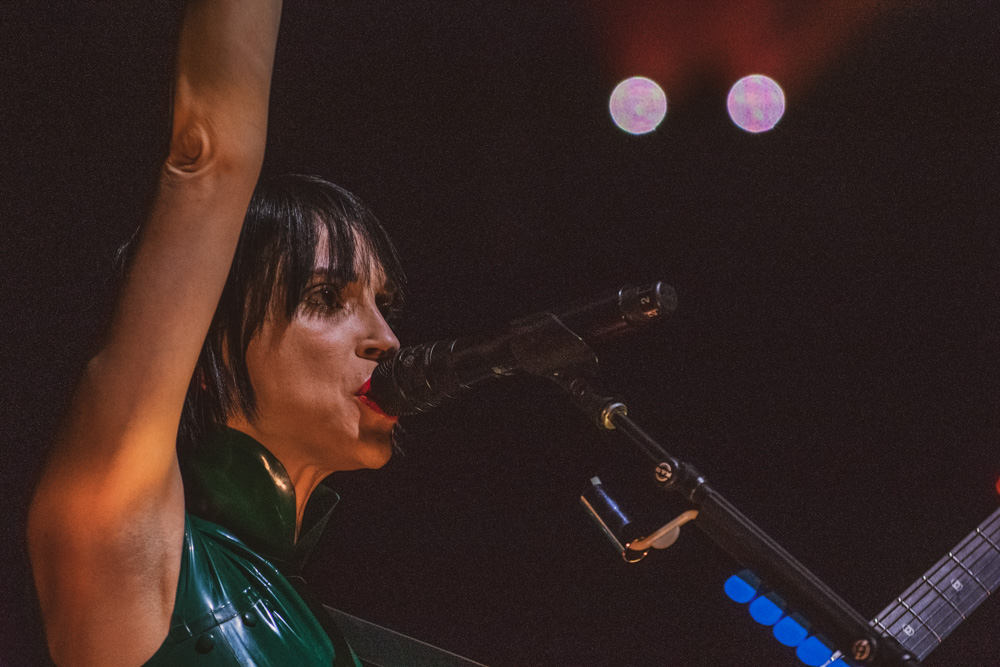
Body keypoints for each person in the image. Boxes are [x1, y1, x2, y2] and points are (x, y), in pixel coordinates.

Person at [27, 1, 403, 664]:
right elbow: (209, 159)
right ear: (208, 349)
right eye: (326, 298)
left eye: (383, 303)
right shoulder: (130, 543)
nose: (387, 339)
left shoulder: (313, 622)